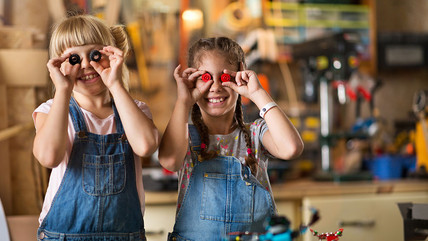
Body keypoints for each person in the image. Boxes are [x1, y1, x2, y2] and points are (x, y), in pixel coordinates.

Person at [158, 37, 304, 240]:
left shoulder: (255, 134)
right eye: (206, 78)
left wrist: (257, 93)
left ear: (240, 76)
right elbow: (169, 160)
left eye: (225, 78)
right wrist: (183, 101)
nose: (215, 87)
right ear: (192, 80)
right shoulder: (186, 138)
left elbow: (291, 148)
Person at [32, 14, 159, 241]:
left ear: (112, 55)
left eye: (95, 55)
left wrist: (115, 83)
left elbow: (146, 146)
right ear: (59, 65)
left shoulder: (135, 110)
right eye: (73, 59)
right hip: (62, 235)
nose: (86, 65)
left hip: (125, 235)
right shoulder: (52, 111)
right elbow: (48, 157)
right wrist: (63, 90)